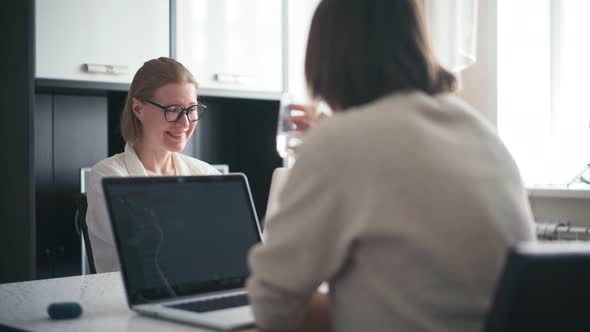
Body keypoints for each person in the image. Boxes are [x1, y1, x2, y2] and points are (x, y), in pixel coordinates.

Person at [246, 1, 537, 332]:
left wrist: (329, 142)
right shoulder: (477, 130)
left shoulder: (341, 142)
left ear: (325, 56)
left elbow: (271, 306)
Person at [86, 57, 220, 273]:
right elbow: (151, 255)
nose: (185, 123)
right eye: (173, 109)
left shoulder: (207, 174)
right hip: (125, 302)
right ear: (138, 109)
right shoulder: (109, 176)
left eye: (191, 109)